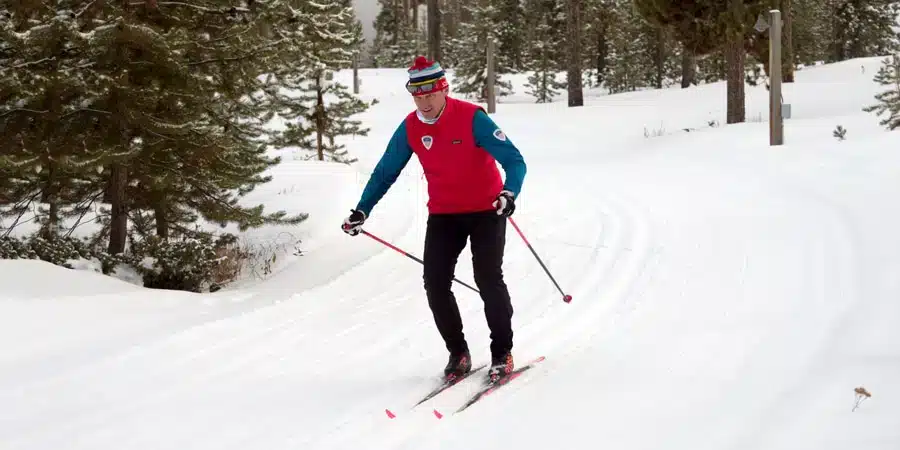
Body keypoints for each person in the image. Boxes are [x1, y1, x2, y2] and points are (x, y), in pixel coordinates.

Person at [341, 56, 527, 381]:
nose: (424, 102)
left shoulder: (472, 118)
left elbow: (514, 160)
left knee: (487, 278)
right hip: (444, 214)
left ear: (444, 89)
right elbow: (386, 172)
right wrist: (362, 209)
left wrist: (509, 193)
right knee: (435, 283)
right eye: (418, 95)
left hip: (487, 209)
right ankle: (458, 352)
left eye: (430, 94)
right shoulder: (411, 127)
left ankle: (502, 353)